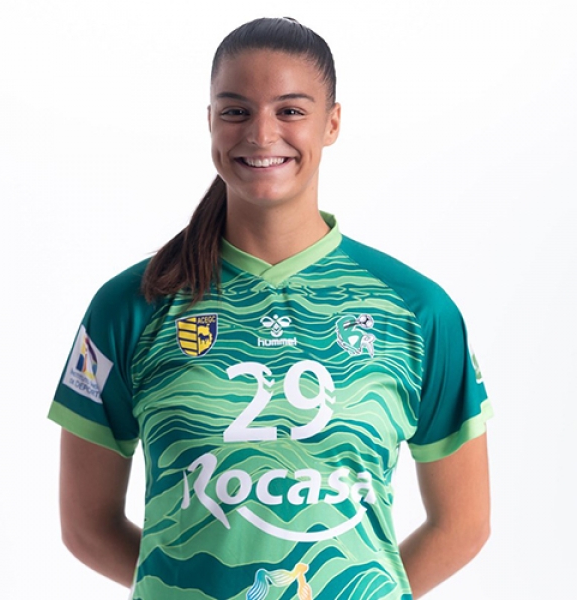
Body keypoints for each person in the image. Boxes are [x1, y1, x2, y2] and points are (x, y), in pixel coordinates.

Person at [49, 17, 492, 600]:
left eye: (290, 110)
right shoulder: (131, 305)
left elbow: (463, 524)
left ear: (332, 122)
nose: (261, 134)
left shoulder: (417, 310)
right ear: (210, 120)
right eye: (236, 110)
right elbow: (86, 526)